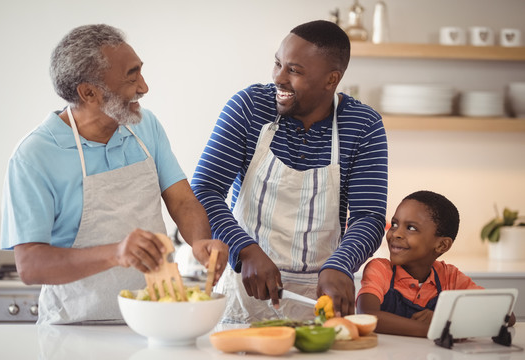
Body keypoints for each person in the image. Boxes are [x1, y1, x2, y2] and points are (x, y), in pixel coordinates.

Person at [0, 24, 228, 325]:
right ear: (89, 92)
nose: (144, 87)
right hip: (75, 330)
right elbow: (31, 265)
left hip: (156, 319)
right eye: (131, 76)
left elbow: (183, 201)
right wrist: (116, 253)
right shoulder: (34, 156)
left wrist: (199, 241)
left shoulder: (146, 127)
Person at [191, 20, 388, 323]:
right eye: (278, 64)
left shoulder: (363, 126)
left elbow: (368, 217)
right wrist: (244, 250)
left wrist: (341, 264)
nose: (278, 78)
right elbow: (205, 189)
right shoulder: (249, 107)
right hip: (244, 293)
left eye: (294, 71)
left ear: (331, 79)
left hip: (321, 297)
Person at [356, 190, 516, 337]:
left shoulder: (450, 276)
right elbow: (367, 315)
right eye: (395, 224)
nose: (396, 233)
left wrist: (448, 317)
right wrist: (434, 329)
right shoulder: (380, 269)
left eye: (411, 228)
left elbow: (507, 316)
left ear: (442, 245)